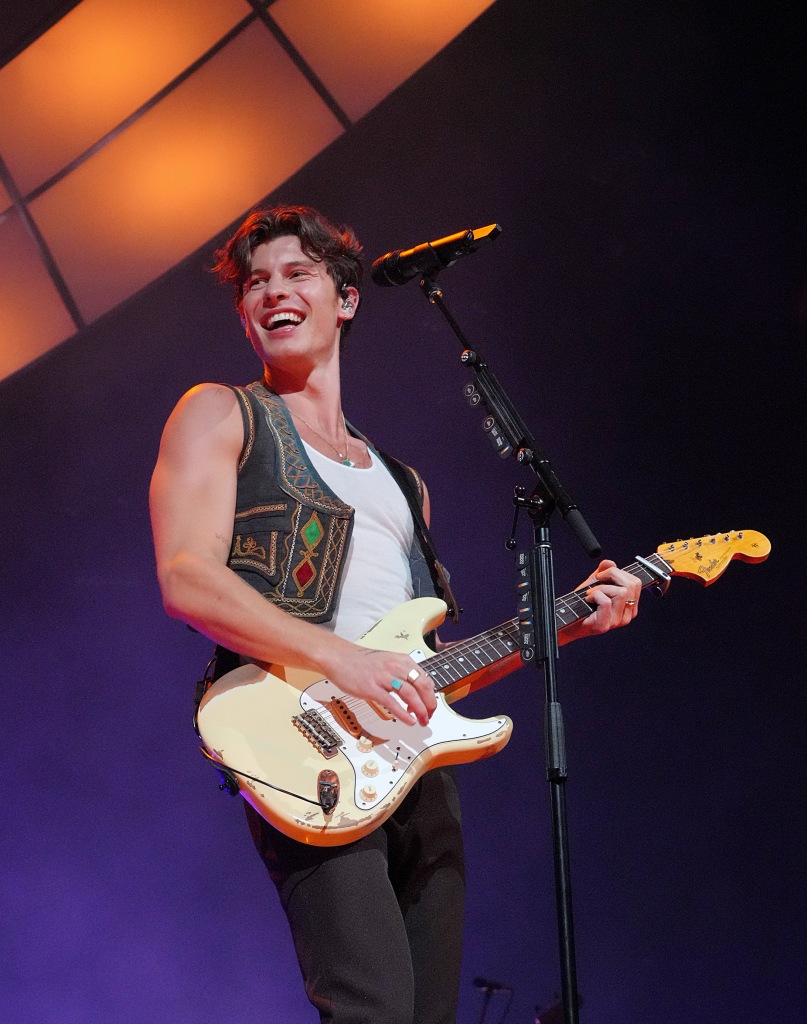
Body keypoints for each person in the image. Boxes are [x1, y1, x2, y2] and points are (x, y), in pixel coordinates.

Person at [149, 204, 642, 1024]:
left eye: (296, 274)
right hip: (301, 740)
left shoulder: (402, 481)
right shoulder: (222, 413)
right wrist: (343, 661)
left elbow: (430, 667)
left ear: (344, 300)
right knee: (370, 1008)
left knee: (425, 1015)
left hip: (413, 759)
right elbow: (187, 581)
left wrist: (566, 628)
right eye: (255, 283)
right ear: (243, 314)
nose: (272, 291)